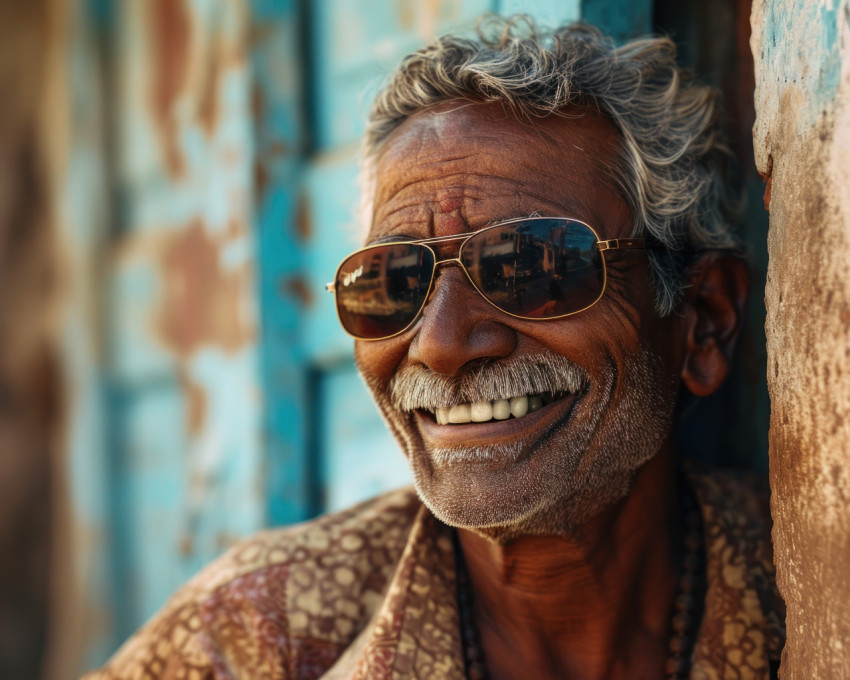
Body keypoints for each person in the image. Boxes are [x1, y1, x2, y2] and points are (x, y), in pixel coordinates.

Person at [83, 17, 784, 680]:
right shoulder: (248, 639)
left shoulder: (806, 580)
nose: (442, 345)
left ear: (704, 319)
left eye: (533, 266)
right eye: (391, 281)